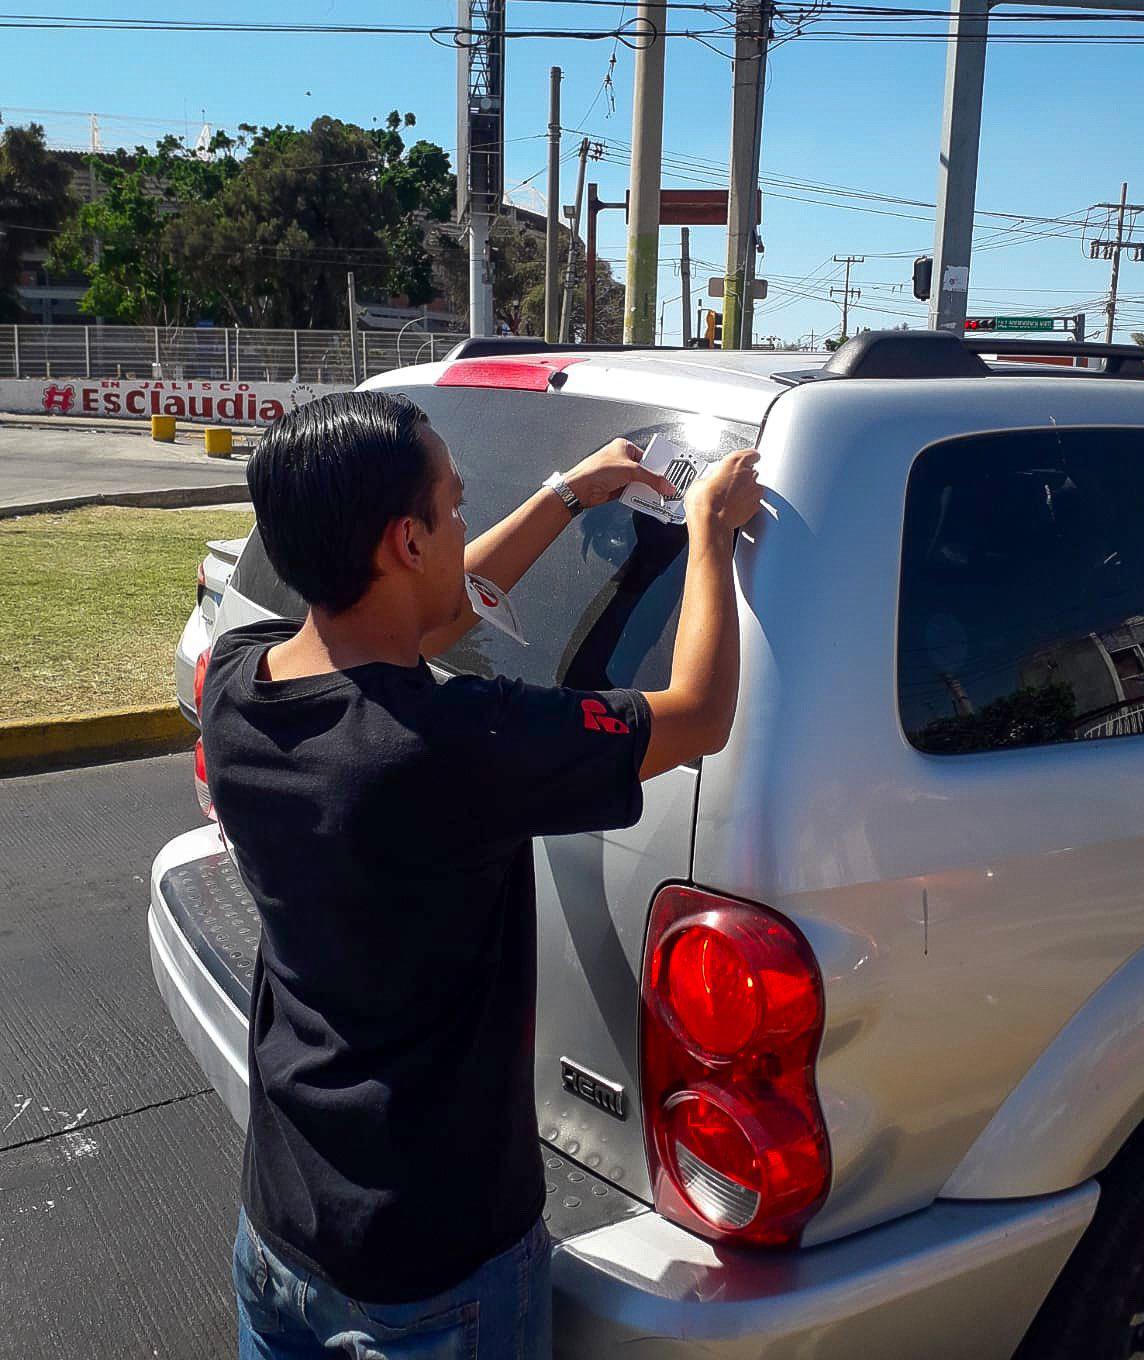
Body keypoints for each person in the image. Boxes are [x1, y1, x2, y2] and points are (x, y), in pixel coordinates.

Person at [201, 389, 761, 1360]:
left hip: (281, 1229)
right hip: (435, 1278)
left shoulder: (239, 680)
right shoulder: (456, 746)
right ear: (406, 541)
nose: (465, 523)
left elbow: (406, 629)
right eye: (456, 505)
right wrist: (709, 530)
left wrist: (566, 496)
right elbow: (702, 713)